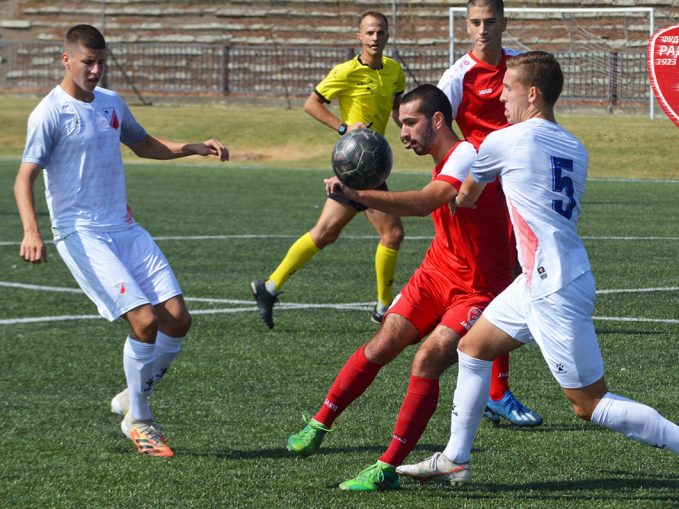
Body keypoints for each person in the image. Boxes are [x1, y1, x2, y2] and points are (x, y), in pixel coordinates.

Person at [396, 51, 679, 508]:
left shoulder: (503, 140)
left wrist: (460, 181)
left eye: (507, 89)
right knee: (472, 348)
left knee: (589, 404)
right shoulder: (574, 146)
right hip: (549, 275)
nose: (500, 97)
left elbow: (465, 197)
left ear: (532, 94)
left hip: (550, 285)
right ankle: (456, 457)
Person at [13, 24, 230, 457]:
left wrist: (191, 147)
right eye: (87, 62)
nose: (95, 70)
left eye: (100, 62)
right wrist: (32, 230)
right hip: (81, 233)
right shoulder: (49, 113)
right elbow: (24, 178)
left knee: (178, 318)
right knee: (145, 321)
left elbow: (144, 144)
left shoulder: (112, 103)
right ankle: (140, 419)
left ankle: (132, 396)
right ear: (67, 60)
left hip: (125, 228)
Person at [285, 84, 515, 491]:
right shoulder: (445, 157)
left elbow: (427, 202)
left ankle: (386, 468)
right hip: (438, 270)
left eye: (410, 123)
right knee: (382, 343)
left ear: (438, 121)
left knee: (427, 359)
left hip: (479, 287)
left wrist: (357, 194)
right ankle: (320, 422)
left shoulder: (466, 154)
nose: (403, 133)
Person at [250, 11, 405, 328]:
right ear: (358, 37)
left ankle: (269, 287)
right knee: (392, 233)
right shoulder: (345, 72)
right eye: (370, 32)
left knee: (325, 233)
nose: (376, 38)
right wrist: (344, 127)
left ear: (388, 36)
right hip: (356, 167)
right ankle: (383, 308)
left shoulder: (395, 72)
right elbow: (312, 103)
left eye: (381, 32)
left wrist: (413, 131)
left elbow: (397, 112)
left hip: (373, 165)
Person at [437, 0, 541, 427]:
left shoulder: (518, 69)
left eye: (490, 21)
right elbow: (435, 125)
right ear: (466, 24)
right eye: (476, 22)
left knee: (516, 277)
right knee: (494, 286)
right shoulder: (458, 75)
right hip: (478, 196)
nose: (483, 29)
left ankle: (491, 387)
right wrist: (459, 171)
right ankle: (495, 391)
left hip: (518, 191)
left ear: (503, 22)